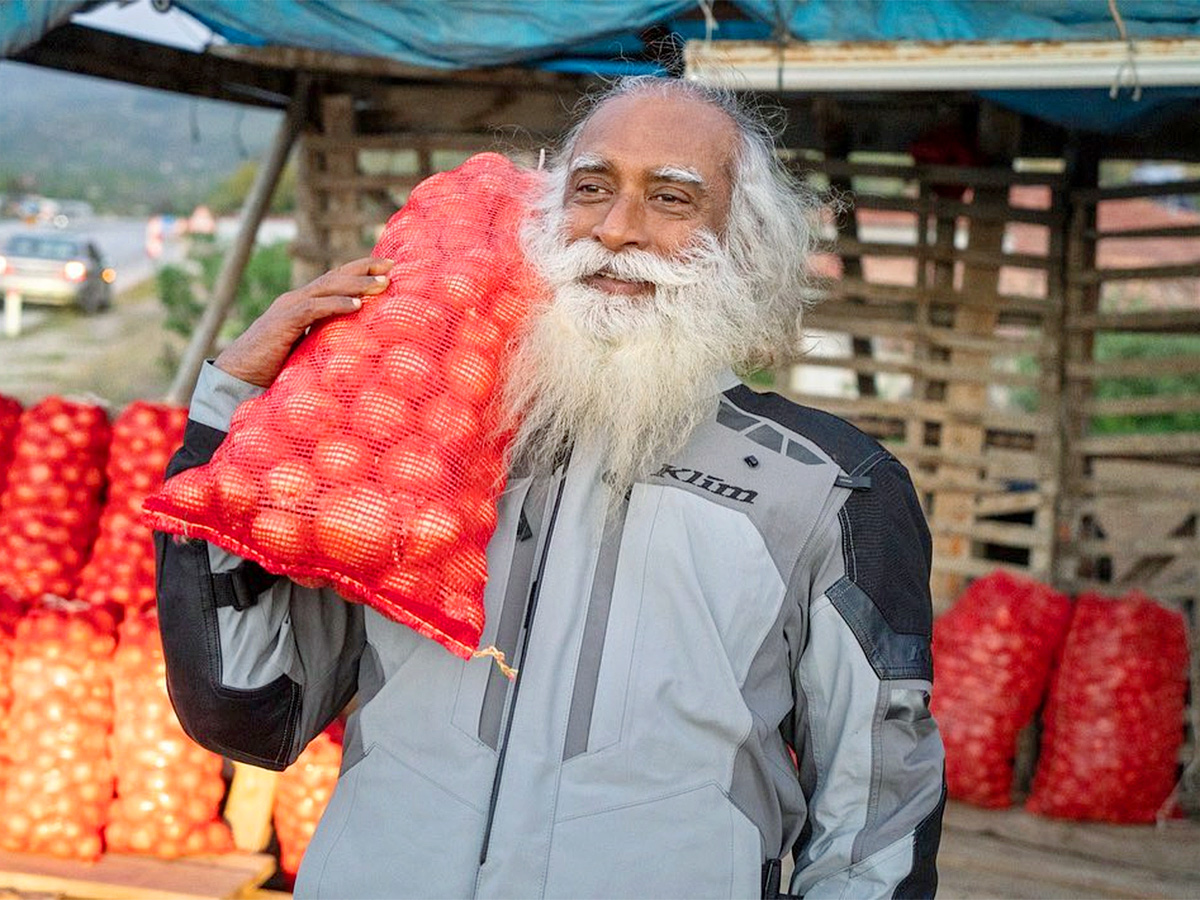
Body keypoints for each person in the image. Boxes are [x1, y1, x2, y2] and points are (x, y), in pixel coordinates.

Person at [155, 76, 944, 899]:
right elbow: (248, 711)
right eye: (591, 189)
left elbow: (873, 823)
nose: (614, 229)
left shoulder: (829, 490)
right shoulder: (427, 448)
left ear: (744, 246)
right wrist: (231, 407)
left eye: (671, 200)